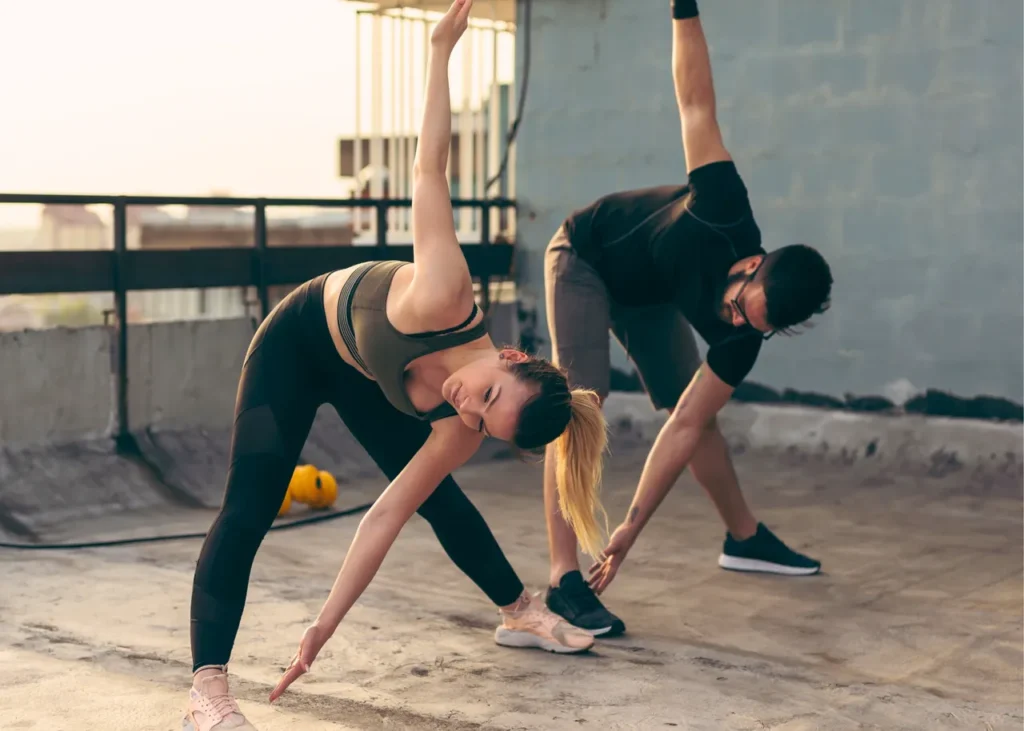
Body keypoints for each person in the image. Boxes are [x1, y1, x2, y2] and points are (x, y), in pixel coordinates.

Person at [181, 3, 608, 728]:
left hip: (364, 374)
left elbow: (383, 517)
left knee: (439, 496)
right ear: (507, 354)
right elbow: (430, 163)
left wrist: (322, 628)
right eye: (483, 394)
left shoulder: (461, 422)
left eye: (478, 419)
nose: (462, 406)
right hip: (299, 341)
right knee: (250, 505)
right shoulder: (445, 290)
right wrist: (441, 51)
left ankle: (518, 609)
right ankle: (206, 693)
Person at [539, 0, 834, 638]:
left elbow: (682, 427)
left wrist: (627, 532)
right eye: (736, 303)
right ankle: (563, 579)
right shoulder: (724, 207)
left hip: (646, 296)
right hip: (587, 256)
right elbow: (695, 101)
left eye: (749, 323)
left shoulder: (742, 339)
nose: (730, 318)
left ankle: (745, 539)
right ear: (751, 262)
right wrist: (684, 9)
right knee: (576, 405)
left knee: (696, 418)